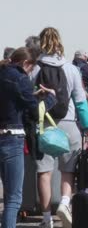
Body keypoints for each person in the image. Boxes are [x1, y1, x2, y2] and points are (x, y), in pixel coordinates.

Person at [35, 27, 88, 228]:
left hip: (43, 125)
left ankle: (46, 219)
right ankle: (64, 202)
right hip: (68, 124)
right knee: (68, 170)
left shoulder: (35, 68)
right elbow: (80, 102)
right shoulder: (71, 68)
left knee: (44, 172)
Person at [0, 48, 55, 228]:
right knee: (13, 198)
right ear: (25, 63)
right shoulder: (20, 78)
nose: (30, 72)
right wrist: (50, 99)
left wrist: (31, 96)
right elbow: (33, 112)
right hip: (12, 138)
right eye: (31, 68)